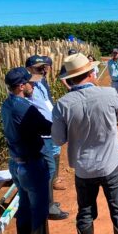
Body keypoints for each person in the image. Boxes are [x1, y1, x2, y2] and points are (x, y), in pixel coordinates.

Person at [51, 53, 118, 234]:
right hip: (112, 164)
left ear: (69, 79)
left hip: (84, 169)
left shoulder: (63, 104)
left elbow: (58, 140)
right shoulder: (109, 93)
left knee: (85, 214)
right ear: (89, 73)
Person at [1, 67, 64, 234]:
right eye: (30, 82)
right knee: (39, 210)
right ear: (21, 86)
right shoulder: (25, 108)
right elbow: (48, 127)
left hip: (16, 163)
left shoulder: (7, 104)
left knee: (26, 207)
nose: (33, 84)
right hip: (31, 164)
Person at [25, 55, 69, 221]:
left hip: (51, 130)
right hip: (42, 134)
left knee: (53, 164)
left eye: (43, 67)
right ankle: (48, 206)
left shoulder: (41, 82)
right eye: (38, 68)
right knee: (47, 170)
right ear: (28, 69)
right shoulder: (28, 86)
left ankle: (50, 201)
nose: (43, 70)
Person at [41, 55, 67, 191]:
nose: (45, 69)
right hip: (45, 124)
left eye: (46, 66)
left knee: (56, 149)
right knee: (51, 151)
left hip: (50, 120)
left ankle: (55, 178)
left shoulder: (43, 80)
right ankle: (52, 181)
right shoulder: (37, 82)